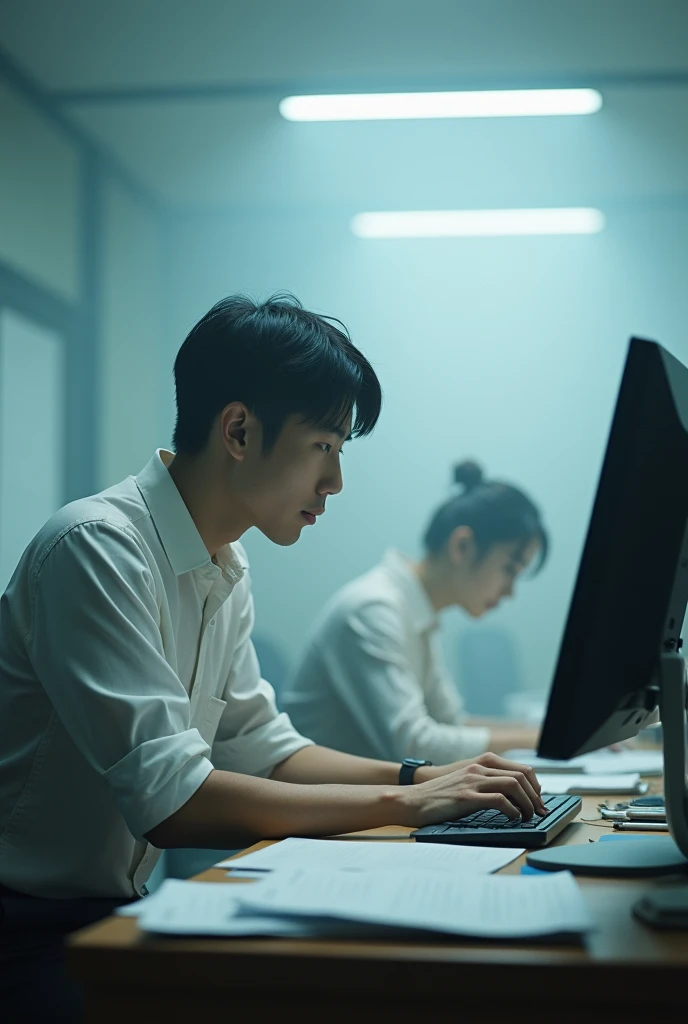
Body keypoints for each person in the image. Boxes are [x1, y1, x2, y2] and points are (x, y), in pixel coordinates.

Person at [0, 296, 544, 1021]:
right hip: (25, 926)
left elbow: (264, 749)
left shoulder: (226, 564)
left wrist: (425, 774)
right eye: (324, 446)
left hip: (116, 908)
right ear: (238, 430)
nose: (335, 482)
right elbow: (174, 801)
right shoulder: (97, 549)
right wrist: (409, 801)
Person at [284, 460, 549, 764]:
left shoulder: (417, 610)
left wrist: (543, 731)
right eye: (509, 570)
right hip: (323, 804)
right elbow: (415, 746)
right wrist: (543, 738)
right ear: (462, 546)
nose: (510, 591)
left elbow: (451, 725)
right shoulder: (374, 610)